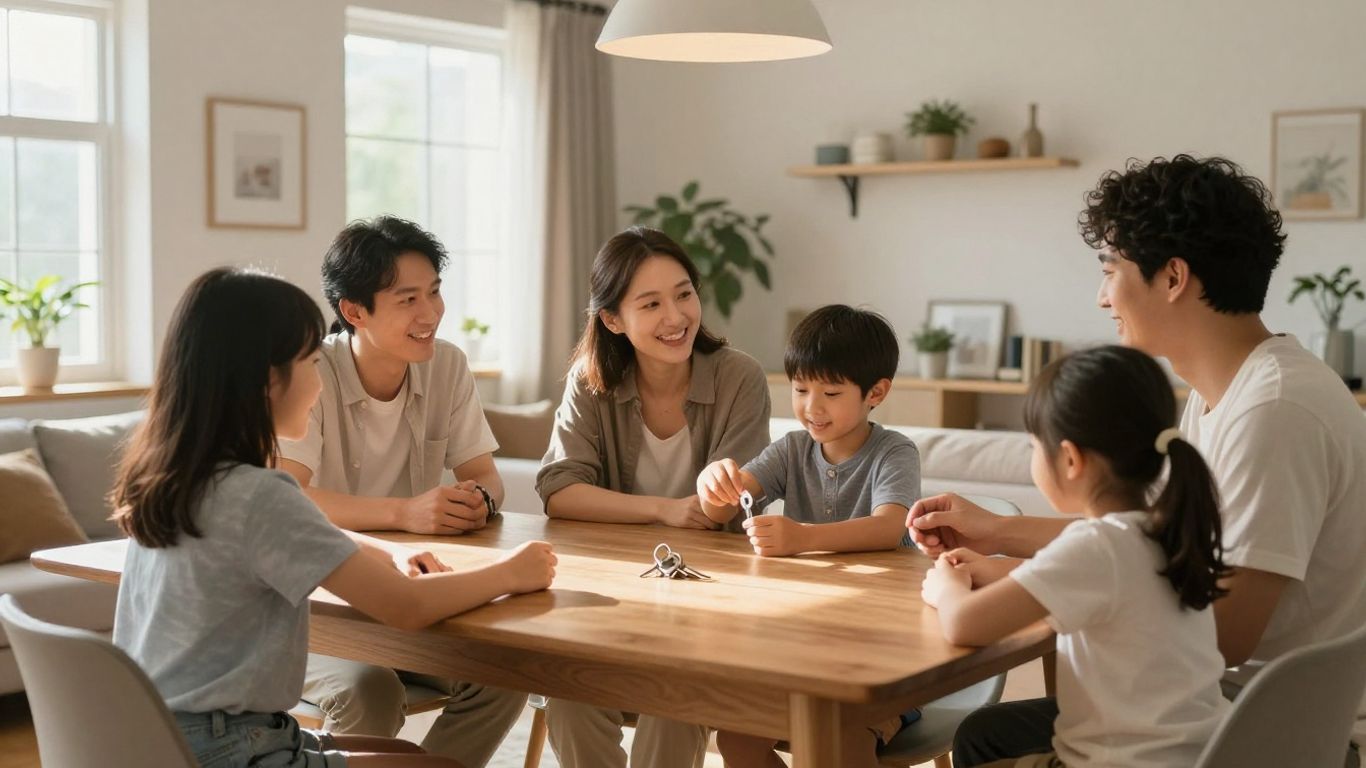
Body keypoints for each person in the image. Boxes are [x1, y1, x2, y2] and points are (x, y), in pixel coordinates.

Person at [910, 155, 1366, 766]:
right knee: (986, 733)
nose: (1102, 297)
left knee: (994, 740)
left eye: (1111, 269)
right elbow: (1146, 542)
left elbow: (1225, 635)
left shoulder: (1274, 412)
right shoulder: (1224, 393)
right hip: (1219, 704)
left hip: (1252, 727)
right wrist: (999, 538)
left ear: (1173, 276)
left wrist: (1057, 593)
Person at [110, 267, 556, 768]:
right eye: (310, 361)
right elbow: (404, 608)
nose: (320, 381)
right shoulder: (260, 494)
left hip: (163, 738)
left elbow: (304, 540)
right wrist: (512, 573)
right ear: (265, 380)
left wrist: (390, 549)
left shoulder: (174, 478)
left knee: (408, 754)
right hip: (231, 750)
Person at [275, 218, 526, 766]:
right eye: (408, 299)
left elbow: (486, 476)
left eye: (434, 292)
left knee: (504, 676)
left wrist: (476, 501)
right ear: (354, 311)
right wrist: (404, 513)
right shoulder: (308, 375)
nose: (430, 313)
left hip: (413, 588)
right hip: (317, 606)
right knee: (370, 689)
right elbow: (288, 498)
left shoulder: (448, 365)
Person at [922, 346, 1231, 767]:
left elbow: (964, 624)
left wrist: (946, 587)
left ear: (1070, 459)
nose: (1033, 456)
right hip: (1198, 753)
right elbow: (1095, 585)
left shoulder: (1095, 545)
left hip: (1119, 762)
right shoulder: (1163, 527)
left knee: (983, 743)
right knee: (981, 735)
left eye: (1034, 446)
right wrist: (997, 571)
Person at [536, 226, 772, 768]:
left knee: (676, 699)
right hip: (611, 592)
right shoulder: (589, 380)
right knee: (569, 697)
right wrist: (665, 510)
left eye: (684, 294)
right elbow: (559, 491)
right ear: (613, 320)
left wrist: (716, 495)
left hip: (710, 596)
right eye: (651, 303)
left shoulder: (740, 377)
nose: (676, 316)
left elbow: (726, 508)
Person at [696, 303, 921, 767]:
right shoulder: (793, 449)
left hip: (882, 660)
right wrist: (713, 484)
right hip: (798, 652)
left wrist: (801, 537)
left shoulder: (894, 452)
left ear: (875, 392)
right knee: (736, 738)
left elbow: (888, 526)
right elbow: (724, 504)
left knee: (837, 745)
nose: (811, 408)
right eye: (800, 389)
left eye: (832, 392)